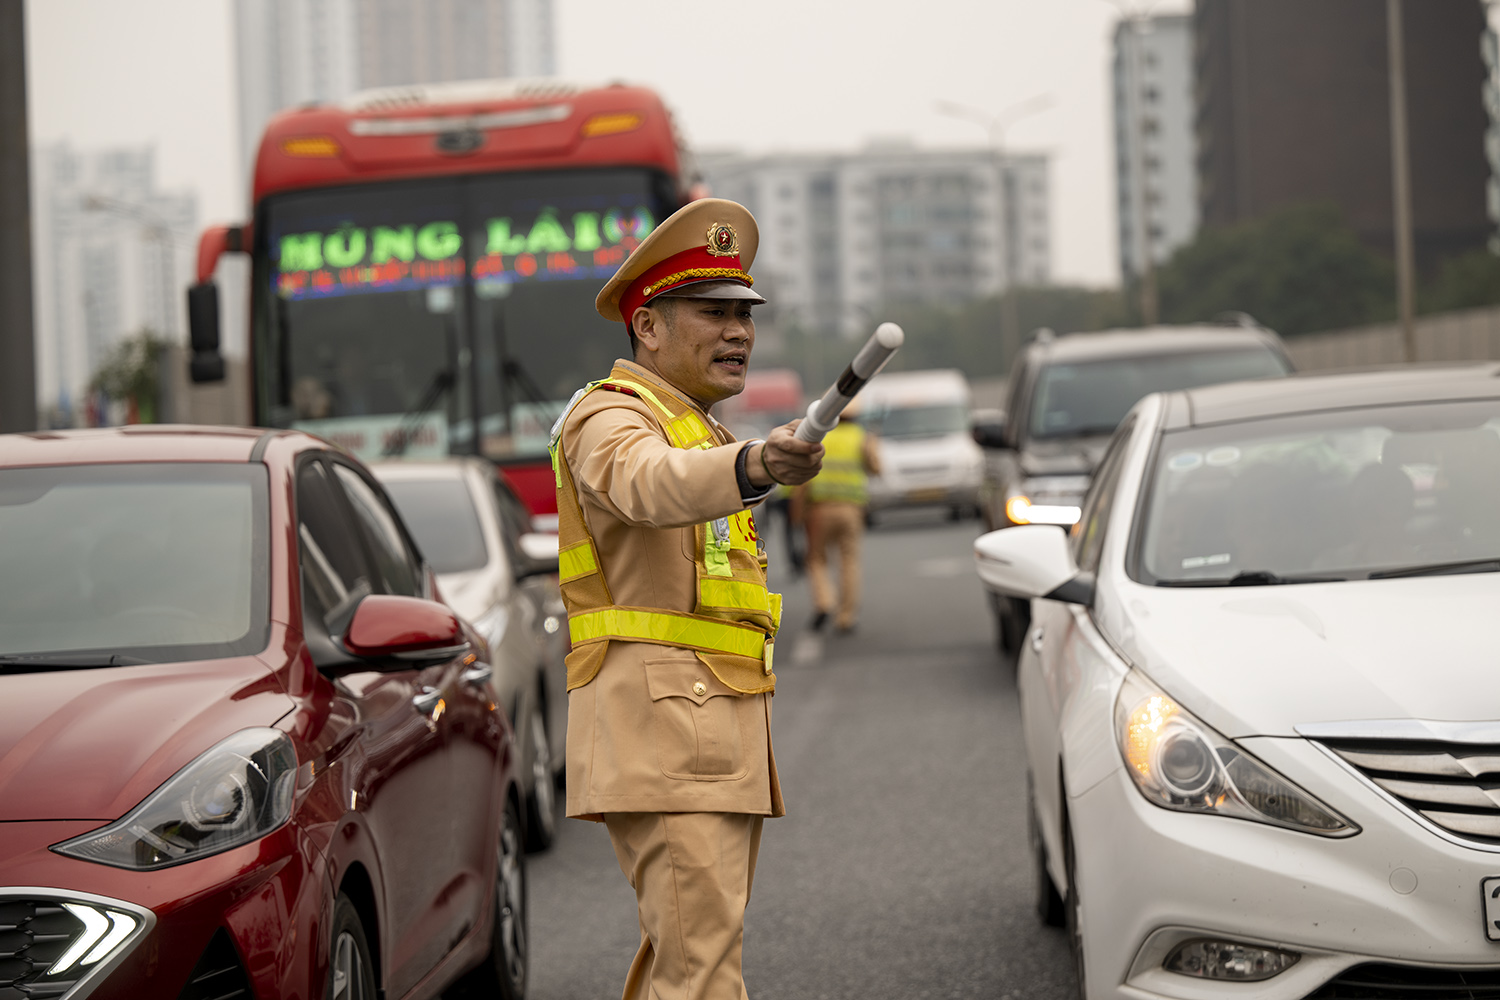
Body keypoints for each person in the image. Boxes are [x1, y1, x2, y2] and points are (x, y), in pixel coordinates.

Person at [549, 198, 823, 1000]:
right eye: (713, 312)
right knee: (700, 973)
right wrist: (754, 467)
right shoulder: (610, 416)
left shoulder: (693, 427)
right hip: (668, 734)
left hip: (701, 730)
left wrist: (747, 466)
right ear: (648, 327)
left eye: (745, 313)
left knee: (689, 968)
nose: (739, 331)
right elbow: (646, 484)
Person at [796, 397, 881, 632]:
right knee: (849, 561)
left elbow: (802, 480)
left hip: (819, 509)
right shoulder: (862, 437)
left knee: (816, 559)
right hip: (851, 509)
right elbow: (876, 469)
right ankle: (846, 617)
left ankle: (824, 602)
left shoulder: (817, 438)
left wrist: (798, 512)